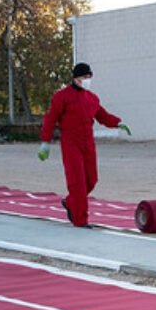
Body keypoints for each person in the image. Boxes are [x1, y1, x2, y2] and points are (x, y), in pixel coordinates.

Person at [38, 62, 130, 228]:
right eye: (84, 77)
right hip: (71, 143)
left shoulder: (92, 98)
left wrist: (118, 123)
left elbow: (103, 116)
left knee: (92, 180)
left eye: (89, 77)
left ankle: (70, 201)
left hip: (88, 143)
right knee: (77, 182)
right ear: (75, 78)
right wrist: (45, 142)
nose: (87, 80)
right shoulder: (62, 97)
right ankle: (81, 220)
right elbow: (50, 119)